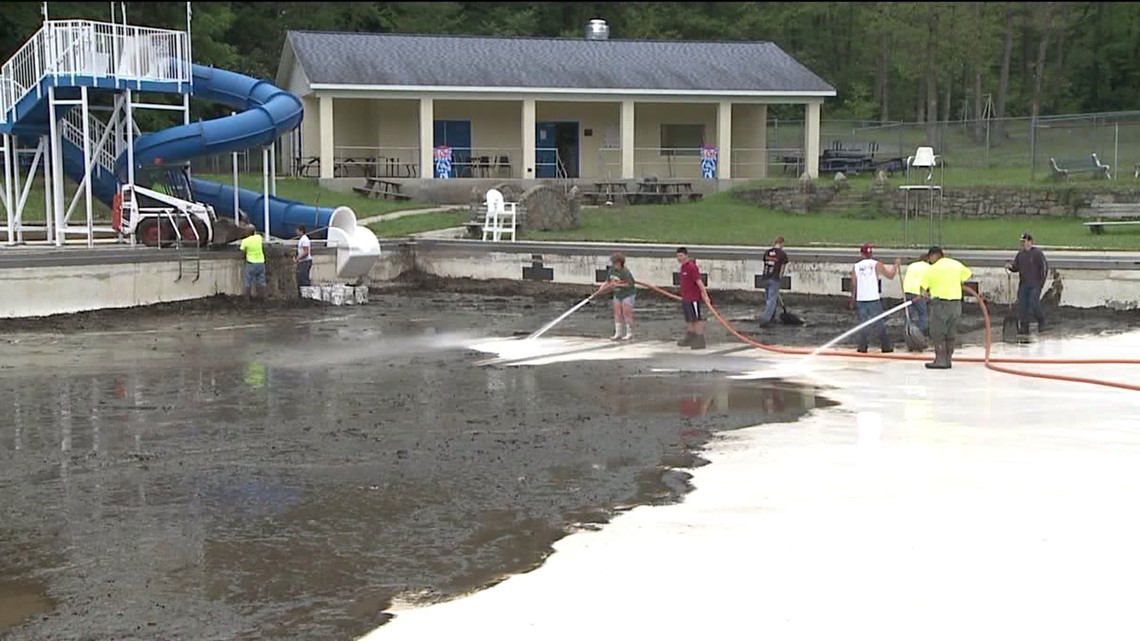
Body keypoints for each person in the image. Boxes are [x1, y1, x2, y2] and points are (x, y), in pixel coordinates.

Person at [920, 246, 973, 370]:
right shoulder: (956, 264)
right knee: (950, 333)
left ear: (933, 256)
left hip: (940, 304)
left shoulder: (931, 269)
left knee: (938, 332)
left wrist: (925, 294)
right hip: (955, 304)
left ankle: (940, 360)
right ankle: (948, 360)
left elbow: (923, 290)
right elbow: (967, 276)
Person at [849, 242, 900, 353]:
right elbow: (890, 275)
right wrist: (896, 265)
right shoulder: (876, 264)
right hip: (873, 299)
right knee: (879, 323)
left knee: (863, 324)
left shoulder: (856, 267)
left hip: (861, 299)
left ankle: (862, 347)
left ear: (861, 254)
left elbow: (854, 284)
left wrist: (852, 299)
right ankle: (885, 346)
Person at [1005, 231, 1048, 335]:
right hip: (1024, 284)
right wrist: (1010, 267)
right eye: (1022, 242)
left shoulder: (1038, 254)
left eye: (1025, 241)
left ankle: (1041, 321)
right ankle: (1024, 326)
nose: (1023, 244)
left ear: (1030, 242)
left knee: (1033, 302)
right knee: (1022, 305)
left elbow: (1044, 268)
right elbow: (1016, 267)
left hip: (1035, 284)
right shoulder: (1020, 255)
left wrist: (1041, 283)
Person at [676, 247, 711, 350]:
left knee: (696, 319)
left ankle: (700, 340)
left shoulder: (692, 267)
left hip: (693, 299)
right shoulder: (683, 267)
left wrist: (705, 295)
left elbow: (699, 282)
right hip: (686, 298)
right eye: (678, 256)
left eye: (681, 256)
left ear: (686, 255)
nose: (679, 258)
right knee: (689, 320)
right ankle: (690, 338)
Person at [596, 252, 636, 341]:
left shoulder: (625, 272)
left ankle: (629, 333)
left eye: (615, 263)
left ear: (619, 263)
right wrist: (601, 288)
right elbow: (607, 281)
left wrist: (617, 285)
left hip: (628, 294)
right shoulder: (611, 271)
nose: (614, 265)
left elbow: (630, 284)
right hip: (617, 294)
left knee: (626, 312)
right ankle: (618, 333)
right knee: (617, 312)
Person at [758, 235, 789, 326]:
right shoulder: (782, 254)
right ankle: (765, 320)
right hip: (774, 278)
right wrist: (779, 278)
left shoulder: (767, 252)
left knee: (769, 298)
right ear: (782, 243)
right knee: (772, 300)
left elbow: (766, 264)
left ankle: (772, 317)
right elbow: (782, 268)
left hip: (765, 278)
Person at [902, 249, 932, 335]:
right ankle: (920, 333)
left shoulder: (911, 265)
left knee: (908, 315)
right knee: (922, 314)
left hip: (907, 291)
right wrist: (926, 293)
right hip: (918, 293)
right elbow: (927, 280)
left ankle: (907, 333)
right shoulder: (929, 267)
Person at [239, 223, 266, 300]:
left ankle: (247, 298)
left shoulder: (245, 241)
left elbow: (242, 251)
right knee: (261, 281)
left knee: (248, 280)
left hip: (251, 263)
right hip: (261, 262)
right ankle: (262, 298)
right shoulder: (259, 238)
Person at [295, 224, 313, 289]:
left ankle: (306, 293)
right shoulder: (301, 239)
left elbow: (306, 252)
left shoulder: (305, 240)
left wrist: (298, 258)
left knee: (303, 278)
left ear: (301, 231)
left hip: (305, 262)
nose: (296, 232)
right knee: (300, 277)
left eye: (297, 230)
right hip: (302, 261)